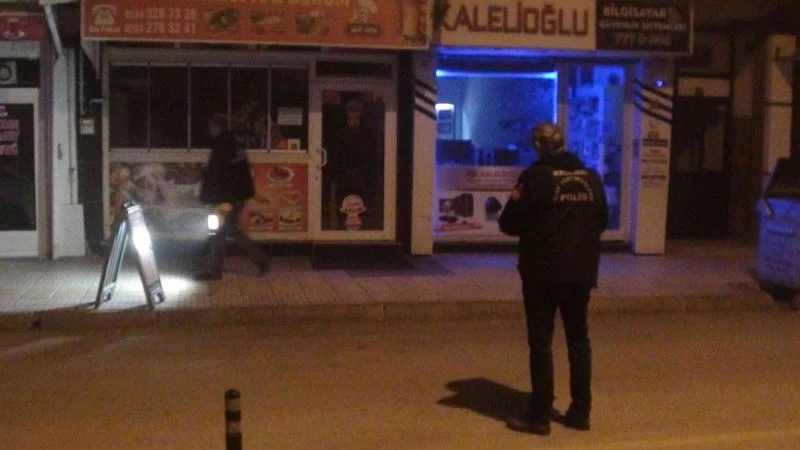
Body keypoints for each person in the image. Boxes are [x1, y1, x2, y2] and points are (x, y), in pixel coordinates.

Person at [499, 122, 608, 436]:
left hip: (542, 273)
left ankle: (539, 415)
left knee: (541, 342)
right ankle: (580, 411)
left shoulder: (535, 177)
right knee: (579, 340)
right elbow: (602, 221)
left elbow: (508, 222)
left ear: (539, 146)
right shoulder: (591, 178)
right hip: (580, 273)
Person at [196, 114, 268, 280]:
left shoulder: (222, 144)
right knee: (232, 230)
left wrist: (210, 195)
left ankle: (214, 271)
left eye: (211, 127)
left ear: (215, 126)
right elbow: (235, 170)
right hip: (238, 195)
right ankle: (260, 259)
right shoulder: (235, 141)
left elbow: (219, 173)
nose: (209, 130)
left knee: (219, 231)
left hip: (227, 197)